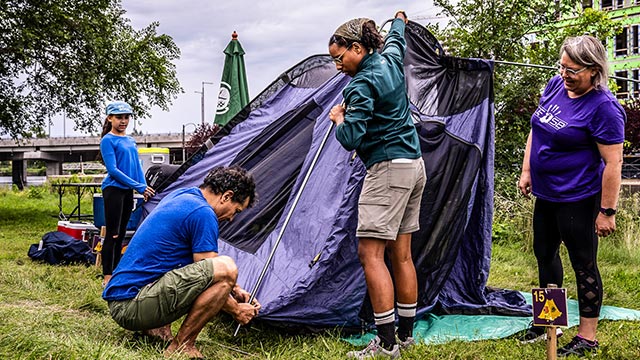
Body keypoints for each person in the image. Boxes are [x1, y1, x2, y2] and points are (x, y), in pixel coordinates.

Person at [518, 35, 625, 357]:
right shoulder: (555, 85)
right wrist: (527, 171)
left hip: (578, 197)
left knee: (583, 264)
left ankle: (587, 338)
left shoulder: (604, 108)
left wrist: (607, 211)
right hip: (546, 193)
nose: (564, 74)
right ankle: (549, 322)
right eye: (562, 67)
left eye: (572, 70)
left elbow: (613, 163)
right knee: (544, 253)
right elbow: (537, 128)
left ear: (594, 70)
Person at [328, 11, 426, 359]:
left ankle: (385, 345)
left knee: (371, 254)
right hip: (414, 165)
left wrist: (339, 118)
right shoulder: (389, 59)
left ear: (356, 48)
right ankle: (407, 336)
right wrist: (399, 18)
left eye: (339, 58)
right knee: (401, 254)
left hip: (387, 170)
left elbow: (351, 137)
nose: (337, 66)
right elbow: (398, 36)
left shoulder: (360, 85)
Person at [103, 166, 261, 358]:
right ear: (226, 196)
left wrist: (236, 290)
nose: (231, 218)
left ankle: (155, 329)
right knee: (226, 267)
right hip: (131, 307)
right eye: (236, 210)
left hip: (123, 301)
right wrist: (237, 310)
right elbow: (215, 275)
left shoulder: (184, 195)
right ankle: (182, 345)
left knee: (201, 268)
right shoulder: (203, 213)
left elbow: (194, 268)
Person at [99, 101, 155, 287]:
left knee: (122, 234)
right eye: (119, 117)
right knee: (112, 234)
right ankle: (107, 276)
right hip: (113, 190)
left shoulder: (130, 140)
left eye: (126, 117)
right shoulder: (108, 140)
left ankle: (116, 271)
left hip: (127, 191)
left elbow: (137, 167)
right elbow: (113, 170)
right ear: (110, 118)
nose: (123, 121)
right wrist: (138, 187)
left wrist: (144, 187)